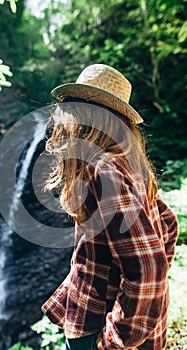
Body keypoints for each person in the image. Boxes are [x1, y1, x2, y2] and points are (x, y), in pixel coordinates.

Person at [41, 64, 178, 350]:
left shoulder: (103, 172)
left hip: (99, 330)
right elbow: (168, 222)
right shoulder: (128, 165)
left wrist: (114, 340)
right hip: (132, 329)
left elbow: (148, 269)